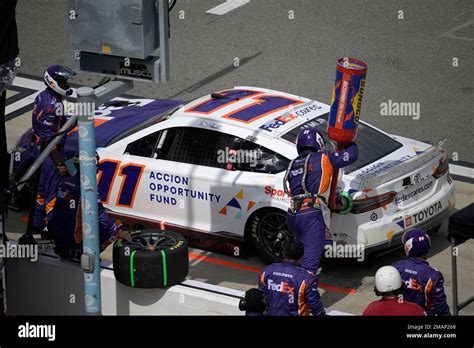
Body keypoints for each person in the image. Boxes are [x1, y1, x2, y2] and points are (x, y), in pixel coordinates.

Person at [283, 127, 358, 273]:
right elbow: (352, 156)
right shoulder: (324, 158)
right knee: (309, 269)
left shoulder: (292, 164)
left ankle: (287, 285)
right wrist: (349, 140)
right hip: (311, 215)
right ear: (319, 143)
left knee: (297, 260)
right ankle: (300, 291)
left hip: (293, 215)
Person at [45, 156, 131, 258]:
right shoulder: (88, 188)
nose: (97, 167)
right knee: (114, 226)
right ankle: (86, 254)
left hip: (56, 234)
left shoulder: (64, 182)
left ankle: (65, 249)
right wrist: (119, 230)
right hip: (73, 238)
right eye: (96, 164)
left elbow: (53, 207)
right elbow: (102, 219)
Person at [30, 64, 76, 233]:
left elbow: (59, 123)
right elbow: (49, 139)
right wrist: (59, 163)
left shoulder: (48, 96)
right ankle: (50, 228)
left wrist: (72, 121)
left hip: (46, 149)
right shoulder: (50, 104)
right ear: (53, 82)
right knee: (50, 192)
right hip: (48, 153)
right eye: (63, 83)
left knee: (43, 191)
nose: (67, 86)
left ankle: (37, 224)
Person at [256, 239, 326, 316]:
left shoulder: (267, 271)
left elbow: (259, 298)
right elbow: (316, 306)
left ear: (283, 253)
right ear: (302, 256)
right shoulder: (307, 279)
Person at [392, 229, 450, 316]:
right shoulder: (434, 275)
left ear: (407, 247)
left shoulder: (395, 268)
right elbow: (441, 307)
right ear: (427, 248)